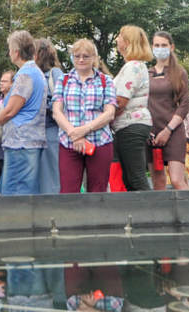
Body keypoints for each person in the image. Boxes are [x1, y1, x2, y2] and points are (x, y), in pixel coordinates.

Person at [51, 39, 117, 193]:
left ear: (94, 58)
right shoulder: (64, 80)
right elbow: (57, 111)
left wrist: (84, 130)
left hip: (99, 141)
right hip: (68, 143)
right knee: (68, 191)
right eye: (77, 56)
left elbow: (109, 113)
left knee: (98, 191)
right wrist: (74, 134)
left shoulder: (105, 81)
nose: (81, 59)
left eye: (86, 56)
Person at [0, 30, 46, 195]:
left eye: (10, 49)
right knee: (27, 188)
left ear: (16, 52)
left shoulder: (25, 75)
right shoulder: (36, 72)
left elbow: (11, 110)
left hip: (21, 141)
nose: (9, 53)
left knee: (14, 190)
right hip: (31, 139)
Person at [112, 25, 154, 192]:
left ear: (127, 42)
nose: (117, 40)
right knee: (130, 176)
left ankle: (151, 214)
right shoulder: (137, 66)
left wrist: (103, 118)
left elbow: (121, 101)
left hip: (131, 125)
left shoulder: (132, 67)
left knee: (135, 177)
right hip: (130, 126)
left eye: (120, 36)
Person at [148, 31, 189, 190]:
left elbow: (184, 105)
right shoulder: (147, 73)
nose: (160, 48)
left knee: (177, 180)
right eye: (157, 45)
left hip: (173, 130)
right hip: (152, 133)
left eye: (164, 45)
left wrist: (168, 129)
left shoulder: (179, 72)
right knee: (158, 182)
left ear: (171, 47)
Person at [34, 39, 62, 195]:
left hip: (50, 131)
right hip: (33, 133)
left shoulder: (54, 74)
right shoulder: (29, 74)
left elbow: (61, 101)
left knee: (51, 176)